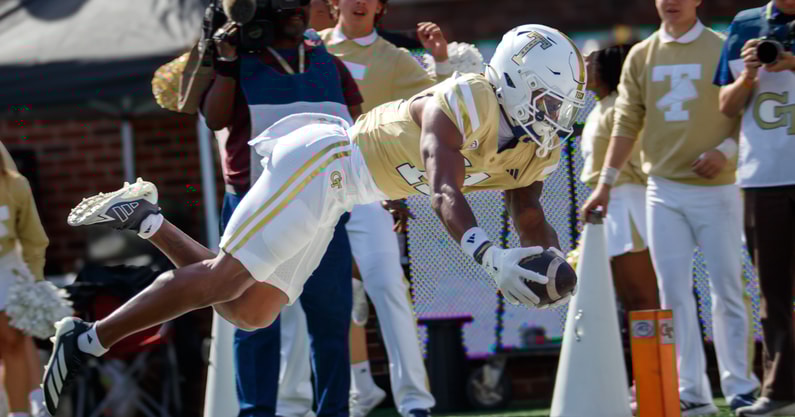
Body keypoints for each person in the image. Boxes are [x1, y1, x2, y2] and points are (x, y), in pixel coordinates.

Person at [42, 24, 585, 416]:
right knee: (224, 280)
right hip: (324, 161)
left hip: (346, 194)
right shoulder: (466, 97)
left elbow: (530, 210)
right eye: (546, 98)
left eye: (560, 104)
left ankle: (150, 222)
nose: (553, 114)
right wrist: (491, 257)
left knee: (249, 310)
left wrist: (549, 263)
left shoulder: (533, 149)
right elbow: (445, 189)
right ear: (512, 79)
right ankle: (87, 337)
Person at [581, 0, 760, 415]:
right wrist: (604, 185)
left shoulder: (722, 45)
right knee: (672, 293)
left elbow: (746, 109)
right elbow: (626, 123)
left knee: (728, 289)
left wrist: (726, 149)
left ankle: (740, 388)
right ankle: (693, 392)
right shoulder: (641, 55)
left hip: (718, 187)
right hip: (661, 190)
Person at [199, 1, 364, 415]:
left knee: (331, 319)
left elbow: (359, 126)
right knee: (253, 322)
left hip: (323, 209)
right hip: (255, 208)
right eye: (282, 3)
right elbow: (214, 119)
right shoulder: (238, 58)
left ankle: (334, 412)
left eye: (300, 2)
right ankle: (256, 413)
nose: (294, 9)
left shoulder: (327, 59)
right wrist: (224, 62)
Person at [304, 0, 453, 415]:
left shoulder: (394, 58)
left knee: (387, 288)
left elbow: (440, 103)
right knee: (319, 293)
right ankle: (357, 389)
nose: (359, 1)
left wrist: (441, 61)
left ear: (380, 7)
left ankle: (414, 402)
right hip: (313, 191)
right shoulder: (310, 47)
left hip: (369, 189)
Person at [713, 1, 795, 415]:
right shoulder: (745, 24)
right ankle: (779, 391)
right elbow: (725, 106)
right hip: (763, 176)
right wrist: (748, 75)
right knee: (773, 290)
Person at [580, 43, 660, 411]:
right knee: (629, 305)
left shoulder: (622, 107)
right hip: (608, 212)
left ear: (611, 69)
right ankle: (640, 381)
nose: (584, 66)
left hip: (629, 204)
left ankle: (657, 381)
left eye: (591, 61)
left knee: (644, 301)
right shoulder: (599, 108)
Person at [0, 142, 49, 417]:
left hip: (6, 267)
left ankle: (20, 412)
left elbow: (33, 239)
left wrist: (34, 282)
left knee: (13, 339)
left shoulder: (16, 186)